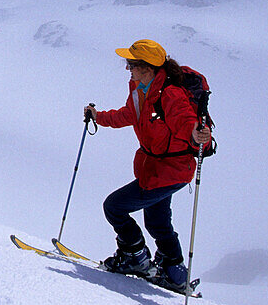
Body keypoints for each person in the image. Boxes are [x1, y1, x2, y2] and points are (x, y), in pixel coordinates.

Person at [84, 39, 212, 291]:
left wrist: (196, 134)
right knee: (157, 221)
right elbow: (129, 115)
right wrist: (100, 117)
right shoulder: (141, 86)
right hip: (156, 168)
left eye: (131, 65)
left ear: (147, 68)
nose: (128, 69)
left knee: (114, 206)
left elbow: (185, 120)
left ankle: (135, 257)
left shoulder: (171, 94)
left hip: (169, 171)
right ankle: (173, 271)